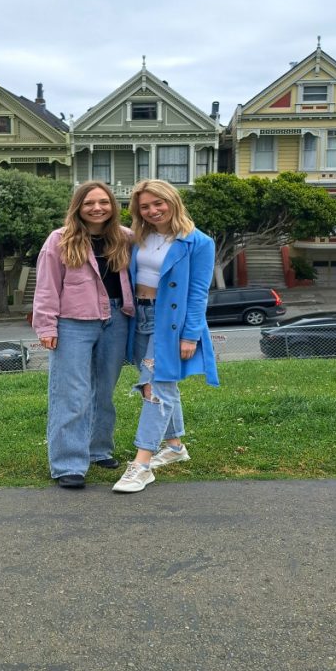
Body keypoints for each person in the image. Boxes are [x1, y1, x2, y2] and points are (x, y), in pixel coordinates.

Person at [113, 179, 219, 494]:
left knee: (154, 386)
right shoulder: (138, 238)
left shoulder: (197, 242)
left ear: (172, 201)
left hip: (170, 323)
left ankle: (141, 464)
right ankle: (174, 446)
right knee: (162, 382)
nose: (153, 210)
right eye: (145, 206)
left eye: (158, 203)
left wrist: (191, 335)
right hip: (140, 317)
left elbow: (199, 292)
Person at [32, 181, 135, 489]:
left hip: (116, 320)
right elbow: (47, 286)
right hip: (73, 324)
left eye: (103, 202)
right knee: (71, 393)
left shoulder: (126, 238)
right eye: (89, 202)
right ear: (78, 206)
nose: (97, 208)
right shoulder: (59, 240)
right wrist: (46, 326)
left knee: (104, 390)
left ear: (113, 206)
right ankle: (67, 464)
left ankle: (98, 449)